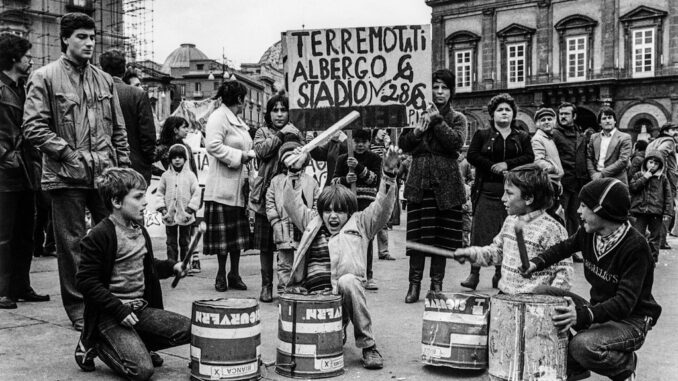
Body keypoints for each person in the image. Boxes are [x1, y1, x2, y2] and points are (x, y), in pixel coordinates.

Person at [22, 13, 130, 330]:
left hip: (105, 174)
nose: (89, 43)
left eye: (92, 37)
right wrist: (66, 152)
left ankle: (112, 299)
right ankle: (79, 308)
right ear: (66, 39)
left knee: (113, 237)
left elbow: (119, 131)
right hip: (65, 175)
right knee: (71, 245)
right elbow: (32, 126)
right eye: (82, 36)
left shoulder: (105, 80)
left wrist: (122, 169)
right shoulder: (45, 77)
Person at [523, 178, 662, 381]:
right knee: (540, 294)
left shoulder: (636, 247)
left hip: (631, 321)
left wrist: (582, 315)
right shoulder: (589, 233)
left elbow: (624, 303)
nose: (579, 211)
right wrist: (536, 262)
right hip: (601, 310)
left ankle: (625, 366)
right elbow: (564, 248)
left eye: (585, 206)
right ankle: (575, 367)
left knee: (581, 345)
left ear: (603, 211)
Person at [282, 145, 401, 370]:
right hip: (312, 298)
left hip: (341, 299)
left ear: (349, 212)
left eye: (339, 211)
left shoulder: (361, 223)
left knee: (348, 281)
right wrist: (294, 173)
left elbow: (383, 207)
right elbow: (291, 203)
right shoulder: (311, 222)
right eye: (328, 211)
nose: (333, 216)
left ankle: (368, 345)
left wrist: (389, 176)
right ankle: (336, 332)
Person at [74, 168, 190, 380]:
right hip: (110, 315)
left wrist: (172, 266)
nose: (145, 202)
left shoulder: (139, 230)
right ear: (117, 202)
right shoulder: (99, 235)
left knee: (192, 329)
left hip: (139, 311)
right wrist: (118, 310)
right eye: (138, 197)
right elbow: (86, 282)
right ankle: (96, 343)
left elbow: (147, 264)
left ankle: (138, 343)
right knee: (142, 371)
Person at [398, 69, 467, 303]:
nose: (439, 92)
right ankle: (413, 284)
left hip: (447, 186)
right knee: (417, 239)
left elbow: (455, 144)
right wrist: (417, 131)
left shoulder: (457, 118)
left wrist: (437, 121)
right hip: (419, 183)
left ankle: (436, 284)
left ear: (451, 92)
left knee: (442, 239)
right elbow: (404, 144)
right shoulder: (414, 115)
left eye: (444, 88)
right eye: (435, 87)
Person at [452, 164, 572, 294]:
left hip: (535, 305)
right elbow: (497, 252)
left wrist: (550, 303)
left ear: (528, 198)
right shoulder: (511, 221)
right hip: (506, 297)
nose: (503, 198)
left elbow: (564, 273)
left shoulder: (552, 229)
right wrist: (472, 254)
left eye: (509, 193)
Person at [464, 93, 534, 290]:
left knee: (507, 233)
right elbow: (472, 155)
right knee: (479, 233)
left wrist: (507, 165)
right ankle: (474, 274)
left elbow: (529, 157)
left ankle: (499, 273)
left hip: (513, 194)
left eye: (508, 110)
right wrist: (491, 166)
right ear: (492, 114)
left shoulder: (521, 137)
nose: (504, 113)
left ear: (513, 114)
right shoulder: (482, 135)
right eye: (500, 110)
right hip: (487, 191)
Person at [0, 34, 50, 309]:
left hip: (26, 171)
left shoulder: (22, 88)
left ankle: (20, 286)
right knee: (4, 235)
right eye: (27, 56)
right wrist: (7, 157)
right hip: (6, 173)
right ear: (13, 58)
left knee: (25, 233)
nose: (31, 60)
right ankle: (2, 290)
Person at [249, 93, 304, 302]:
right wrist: (281, 135)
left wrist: (294, 138)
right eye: (275, 110)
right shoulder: (262, 132)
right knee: (265, 245)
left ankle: (288, 283)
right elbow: (261, 151)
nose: (279, 114)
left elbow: (304, 154)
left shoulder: (296, 131)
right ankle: (266, 286)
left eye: (283, 110)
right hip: (265, 195)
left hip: (289, 192)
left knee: (288, 241)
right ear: (269, 113)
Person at [203, 79, 255, 292]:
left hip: (239, 187)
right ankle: (221, 273)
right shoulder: (218, 117)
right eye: (245, 99)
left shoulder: (238, 122)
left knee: (236, 237)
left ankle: (235, 273)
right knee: (224, 239)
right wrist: (240, 156)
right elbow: (212, 146)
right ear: (240, 99)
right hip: (222, 187)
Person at [265, 135, 318, 291]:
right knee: (284, 261)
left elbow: (316, 201)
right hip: (282, 226)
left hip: (302, 226)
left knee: (301, 259)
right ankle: (284, 287)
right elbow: (269, 202)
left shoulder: (311, 181)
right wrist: (275, 222)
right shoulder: (277, 181)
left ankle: (299, 286)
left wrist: (312, 218)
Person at [333, 128, 382, 290]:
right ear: (350, 141)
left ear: (369, 142)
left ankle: (368, 275)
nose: (360, 145)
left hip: (366, 206)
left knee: (366, 240)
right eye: (357, 141)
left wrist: (359, 168)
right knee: (347, 239)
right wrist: (345, 179)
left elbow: (374, 181)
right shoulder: (342, 159)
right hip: (347, 205)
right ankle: (346, 274)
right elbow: (333, 183)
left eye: (364, 141)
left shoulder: (375, 159)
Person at [100, 49, 156, 184]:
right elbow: (148, 135)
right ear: (124, 69)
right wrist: (147, 160)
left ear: (102, 69)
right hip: (135, 167)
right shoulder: (137, 95)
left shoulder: (96, 93)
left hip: (104, 166)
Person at [552, 103, 589, 263]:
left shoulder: (580, 134)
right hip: (562, 182)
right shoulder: (555, 134)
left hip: (578, 181)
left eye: (566, 114)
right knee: (560, 216)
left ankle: (573, 249)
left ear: (574, 116)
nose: (563, 117)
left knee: (575, 217)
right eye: (561, 114)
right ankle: (559, 250)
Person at [156, 144, 201, 263]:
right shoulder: (165, 176)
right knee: (171, 242)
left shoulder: (190, 176)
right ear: (170, 159)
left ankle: (185, 264)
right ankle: (172, 264)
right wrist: (162, 209)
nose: (177, 160)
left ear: (185, 159)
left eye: (180, 157)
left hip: (185, 215)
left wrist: (190, 210)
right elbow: (159, 193)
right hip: (169, 215)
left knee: (185, 241)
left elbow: (196, 193)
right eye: (174, 157)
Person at [629, 151, 673, 262]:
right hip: (639, 211)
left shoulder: (662, 178)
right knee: (638, 236)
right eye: (651, 162)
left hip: (656, 212)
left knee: (655, 237)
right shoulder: (638, 175)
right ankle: (637, 259)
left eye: (656, 164)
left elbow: (668, 196)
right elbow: (633, 188)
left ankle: (652, 259)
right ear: (645, 162)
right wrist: (645, 177)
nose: (653, 166)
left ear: (660, 166)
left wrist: (667, 212)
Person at [646, 122, 678, 249]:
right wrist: (662, 172)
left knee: (656, 208)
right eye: (673, 129)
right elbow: (660, 153)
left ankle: (655, 237)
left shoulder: (653, 141)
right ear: (666, 131)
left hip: (652, 179)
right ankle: (662, 240)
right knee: (667, 209)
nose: (676, 132)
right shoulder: (669, 141)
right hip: (667, 180)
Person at [586, 107, 633, 185]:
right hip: (596, 180)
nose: (607, 121)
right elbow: (589, 157)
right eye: (604, 118)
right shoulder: (594, 137)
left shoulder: (624, 137)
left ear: (614, 121)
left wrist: (602, 174)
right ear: (600, 123)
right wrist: (593, 173)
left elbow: (623, 161)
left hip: (617, 180)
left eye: (610, 118)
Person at [371, 129, 396, 261]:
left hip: (384, 183)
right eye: (382, 129)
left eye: (387, 130)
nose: (385, 132)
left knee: (383, 218)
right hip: (371, 184)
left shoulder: (388, 146)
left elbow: (393, 161)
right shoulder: (368, 145)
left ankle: (383, 251)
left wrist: (388, 146)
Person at [531, 107, 564, 185]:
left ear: (554, 122)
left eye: (549, 119)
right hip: (547, 182)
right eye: (543, 120)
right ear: (537, 124)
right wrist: (554, 168)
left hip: (554, 181)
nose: (546, 122)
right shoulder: (537, 139)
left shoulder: (548, 137)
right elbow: (538, 161)